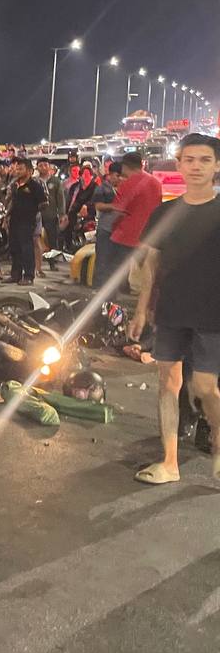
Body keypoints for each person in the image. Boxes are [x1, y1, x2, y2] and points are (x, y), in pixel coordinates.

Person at [128, 134, 220, 485]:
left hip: (213, 313)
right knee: (168, 383)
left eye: (205, 160)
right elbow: (150, 266)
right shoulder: (164, 213)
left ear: (217, 166)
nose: (196, 167)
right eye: (189, 160)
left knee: (206, 386)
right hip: (171, 310)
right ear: (179, 164)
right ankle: (169, 463)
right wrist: (141, 310)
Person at [94, 151, 161, 291]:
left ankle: (109, 299)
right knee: (149, 272)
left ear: (125, 166)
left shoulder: (127, 184)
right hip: (147, 235)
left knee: (112, 271)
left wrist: (112, 228)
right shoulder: (156, 182)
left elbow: (119, 209)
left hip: (125, 236)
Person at [5, 157, 45, 286]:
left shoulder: (35, 186)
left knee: (26, 248)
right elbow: (12, 202)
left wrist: (32, 213)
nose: (17, 171)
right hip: (14, 220)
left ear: (29, 171)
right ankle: (15, 275)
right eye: (17, 169)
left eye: (21, 169)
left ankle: (28, 276)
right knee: (14, 248)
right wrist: (7, 217)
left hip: (27, 222)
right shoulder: (15, 185)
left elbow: (44, 203)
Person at [91, 162, 123, 290]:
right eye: (117, 176)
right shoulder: (101, 188)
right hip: (105, 229)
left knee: (115, 261)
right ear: (110, 174)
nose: (120, 178)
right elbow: (98, 206)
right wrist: (115, 207)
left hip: (119, 230)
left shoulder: (124, 188)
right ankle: (98, 286)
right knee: (102, 259)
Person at [38, 161, 65, 251]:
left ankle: (53, 256)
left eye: (45, 165)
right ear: (37, 168)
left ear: (49, 166)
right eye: (40, 165)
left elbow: (60, 198)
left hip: (51, 215)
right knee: (37, 240)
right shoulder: (35, 181)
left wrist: (61, 214)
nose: (43, 167)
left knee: (52, 239)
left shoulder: (55, 181)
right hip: (37, 216)